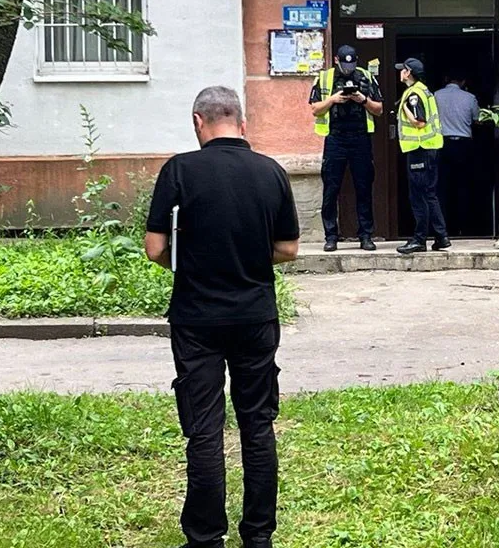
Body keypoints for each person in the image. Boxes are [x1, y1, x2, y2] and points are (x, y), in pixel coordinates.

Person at [144, 86, 300, 548]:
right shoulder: (271, 172)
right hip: (255, 316)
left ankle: (206, 537)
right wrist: (249, 258)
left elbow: (155, 247)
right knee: (257, 426)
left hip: (196, 319)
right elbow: (288, 249)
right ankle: (258, 536)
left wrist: (194, 259)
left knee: (205, 430)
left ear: (198, 122)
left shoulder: (179, 170)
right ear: (242, 123)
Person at [309, 45, 383, 252]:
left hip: (360, 138)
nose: (348, 67)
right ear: (336, 60)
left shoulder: (366, 77)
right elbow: (314, 109)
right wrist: (333, 100)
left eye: (352, 63)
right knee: (331, 189)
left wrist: (363, 99)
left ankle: (366, 236)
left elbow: (379, 109)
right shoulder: (324, 78)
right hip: (335, 139)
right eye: (345, 63)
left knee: (364, 188)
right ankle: (331, 236)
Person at [394, 57, 450, 255]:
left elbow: (420, 122)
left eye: (403, 70)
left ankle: (419, 239)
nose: (400, 72)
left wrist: (406, 110)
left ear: (408, 73)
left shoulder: (414, 94)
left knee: (419, 196)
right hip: (429, 148)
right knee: (429, 194)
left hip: (420, 149)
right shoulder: (423, 90)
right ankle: (441, 237)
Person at [434, 74, 481, 232]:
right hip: (464, 145)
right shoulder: (470, 97)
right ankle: (463, 225)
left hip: (441, 143)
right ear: (463, 81)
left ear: (446, 79)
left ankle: (442, 227)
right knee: (463, 185)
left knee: (441, 186)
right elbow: (478, 119)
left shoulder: (436, 95)